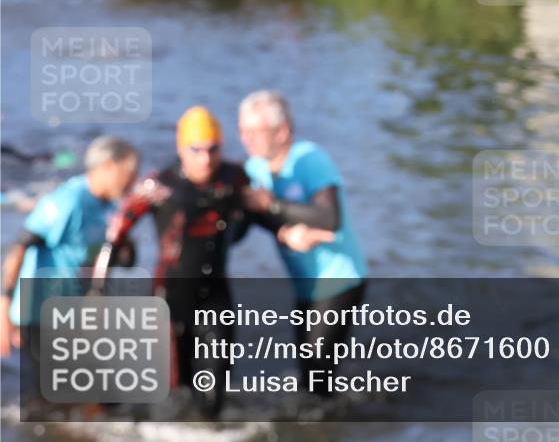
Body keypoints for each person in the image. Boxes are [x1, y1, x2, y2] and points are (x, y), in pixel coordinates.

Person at [100, 106, 334, 416]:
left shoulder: (233, 177)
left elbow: (256, 212)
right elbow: (116, 231)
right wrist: (98, 287)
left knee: (212, 397)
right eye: (196, 150)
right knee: (175, 395)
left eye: (213, 149)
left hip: (215, 299)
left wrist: (286, 232)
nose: (205, 158)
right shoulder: (159, 186)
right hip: (169, 302)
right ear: (181, 148)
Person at [238, 90, 367, 395]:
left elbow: (329, 216)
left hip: (339, 280)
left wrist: (273, 206)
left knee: (317, 373)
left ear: (282, 132)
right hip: (305, 286)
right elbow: (250, 216)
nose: (247, 139)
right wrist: (283, 232)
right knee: (310, 375)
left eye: (256, 132)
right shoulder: (254, 168)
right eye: (243, 131)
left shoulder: (310, 159)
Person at [0, 136, 140, 357]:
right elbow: (19, 247)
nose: (133, 183)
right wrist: (4, 311)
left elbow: (123, 261)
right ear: (108, 167)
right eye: (129, 175)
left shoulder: (112, 207)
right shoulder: (69, 201)